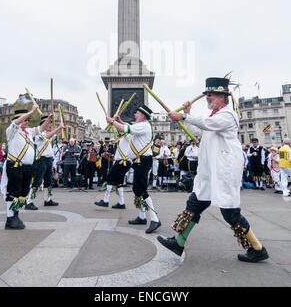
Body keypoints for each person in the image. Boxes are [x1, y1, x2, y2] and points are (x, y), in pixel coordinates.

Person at [157, 76, 269, 263]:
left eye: (211, 94)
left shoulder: (228, 115)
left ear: (223, 96)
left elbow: (209, 125)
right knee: (194, 204)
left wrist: (184, 115)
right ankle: (178, 242)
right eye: (207, 94)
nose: (208, 97)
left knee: (230, 213)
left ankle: (257, 248)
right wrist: (187, 114)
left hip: (224, 170)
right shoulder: (213, 117)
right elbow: (199, 130)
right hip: (209, 171)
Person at [106, 104, 161, 234]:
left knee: (141, 189)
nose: (134, 115)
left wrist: (112, 122)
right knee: (137, 189)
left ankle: (155, 219)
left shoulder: (144, 125)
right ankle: (142, 217)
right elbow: (128, 127)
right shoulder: (142, 125)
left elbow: (126, 129)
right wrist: (118, 121)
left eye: (136, 113)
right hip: (139, 161)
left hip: (143, 160)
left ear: (142, 116)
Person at [0, 105, 48, 229]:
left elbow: (41, 129)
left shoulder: (28, 132)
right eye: (26, 120)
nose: (27, 122)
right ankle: (10, 218)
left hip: (26, 167)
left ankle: (15, 215)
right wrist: (31, 111)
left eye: (28, 120)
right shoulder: (12, 131)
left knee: (22, 194)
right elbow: (17, 121)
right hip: (15, 165)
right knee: (13, 192)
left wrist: (48, 119)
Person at [25, 115, 64, 210]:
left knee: (48, 181)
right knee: (37, 181)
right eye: (49, 123)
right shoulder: (38, 134)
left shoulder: (47, 132)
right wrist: (59, 128)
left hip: (48, 160)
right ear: (43, 124)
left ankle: (47, 199)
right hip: (41, 159)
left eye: (51, 123)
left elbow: (56, 136)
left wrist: (62, 129)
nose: (50, 125)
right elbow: (47, 136)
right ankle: (29, 201)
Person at [94, 138, 132, 209]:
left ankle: (105, 201)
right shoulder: (126, 138)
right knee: (119, 182)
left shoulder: (128, 135)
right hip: (126, 162)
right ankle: (121, 203)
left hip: (121, 162)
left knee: (109, 178)